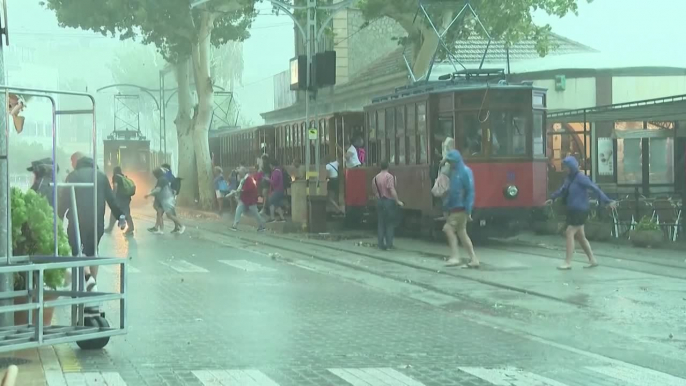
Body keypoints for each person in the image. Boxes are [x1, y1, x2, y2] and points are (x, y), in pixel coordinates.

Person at [58, 152, 126, 312]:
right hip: (96, 223)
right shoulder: (101, 176)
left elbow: (64, 201)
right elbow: (111, 199)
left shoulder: (73, 176)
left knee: (77, 254)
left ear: (77, 162)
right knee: (92, 252)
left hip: (77, 221)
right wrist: (121, 216)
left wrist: (58, 218)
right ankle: (91, 283)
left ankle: (86, 285)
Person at [547, 156, 616, 270]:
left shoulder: (581, 178)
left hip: (580, 210)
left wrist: (607, 201)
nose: (564, 169)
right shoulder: (569, 179)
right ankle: (592, 260)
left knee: (569, 232)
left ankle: (567, 262)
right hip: (573, 210)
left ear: (572, 167)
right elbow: (562, 190)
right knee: (580, 236)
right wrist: (553, 198)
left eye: (566, 167)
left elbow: (595, 189)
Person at [443, 150, 479, 268]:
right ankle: (473, 258)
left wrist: (468, 209)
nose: (450, 164)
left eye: (451, 161)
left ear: (456, 161)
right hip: (457, 207)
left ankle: (455, 256)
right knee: (462, 233)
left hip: (460, 207)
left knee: (448, 229)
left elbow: (470, 192)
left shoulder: (463, 172)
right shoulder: (456, 172)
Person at [372, 161, 403, 250]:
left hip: (380, 201)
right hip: (388, 201)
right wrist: (397, 201)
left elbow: (374, 189)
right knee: (389, 224)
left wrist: (378, 196)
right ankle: (389, 245)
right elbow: (392, 189)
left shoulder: (375, 178)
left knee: (381, 223)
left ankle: (380, 244)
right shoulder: (389, 177)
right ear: (388, 166)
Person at [146, 167, 185, 234]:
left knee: (169, 215)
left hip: (167, 200)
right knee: (159, 213)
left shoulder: (161, 179)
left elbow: (158, 190)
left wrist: (149, 194)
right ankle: (160, 230)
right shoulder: (163, 179)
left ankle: (182, 226)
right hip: (165, 200)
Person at [228, 166, 266, 232]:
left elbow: (248, 189)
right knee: (239, 210)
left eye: (240, 173)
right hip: (244, 199)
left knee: (254, 213)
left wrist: (237, 191)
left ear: (243, 172)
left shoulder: (249, 179)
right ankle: (235, 225)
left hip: (250, 199)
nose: (239, 174)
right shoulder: (245, 179)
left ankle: (262, 225)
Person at [105, 166, 135, 235]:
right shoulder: (123, 176)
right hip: (126, 197)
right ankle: (131, 227)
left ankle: (110, 227)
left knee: (114, 212)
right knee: (126, 212)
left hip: (120, 197)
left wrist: (112, 195)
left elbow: (115, 186)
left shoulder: (115, 177)